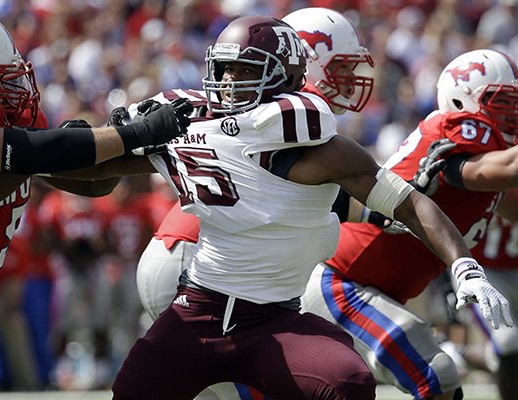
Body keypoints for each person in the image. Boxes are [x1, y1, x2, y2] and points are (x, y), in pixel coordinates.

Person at [55, 13, 511, 400]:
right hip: (194, 263)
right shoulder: (248, 120)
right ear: (300, 66)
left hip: (250, 291)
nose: (348, 83)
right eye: (336, 69)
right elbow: (111, 172)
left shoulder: (298, 133)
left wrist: (433, 244)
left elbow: (343, 198)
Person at [0, 10, 191, 400]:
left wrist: (169, 146)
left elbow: (96, 181)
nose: (16, 85)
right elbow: (19, 161)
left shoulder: (8, 134)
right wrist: (128, 135)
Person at [298, 48, 518, 400]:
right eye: (503, 102)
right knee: (436, 373)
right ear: (463, 101)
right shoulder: (460, 144)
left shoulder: (482, 169)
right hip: (343, 283)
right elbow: (502, 169)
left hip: (369, 288)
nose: (513, 114)